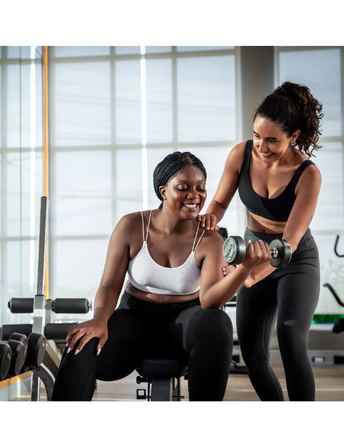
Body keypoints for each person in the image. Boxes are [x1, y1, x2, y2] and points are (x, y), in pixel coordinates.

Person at [51, 151, 271, 401]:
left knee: (217, 323)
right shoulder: (132, 226)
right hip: (134, 318)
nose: (194, 195)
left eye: (201, 188)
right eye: (183, 187)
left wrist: (244, 269)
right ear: (163, 190)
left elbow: (210, 301)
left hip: (184, 325)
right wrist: (99, 319)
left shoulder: (210, 240)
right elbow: (110, 286)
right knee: (82, 340)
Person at [198, 81, 323, 401]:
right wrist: (210, 220)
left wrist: (250, 273)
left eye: (272, 140)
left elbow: (288, 243)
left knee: (291, 337)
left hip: (294, 260)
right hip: (252, 250)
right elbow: (220, 203)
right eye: (256, 135)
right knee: (252, 352)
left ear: (294, 136)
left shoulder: (308, 174)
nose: (261, 146)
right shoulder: (241, 154)